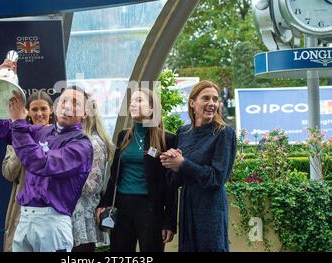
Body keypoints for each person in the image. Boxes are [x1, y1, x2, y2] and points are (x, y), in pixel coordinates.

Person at [0, 60, 93, 252]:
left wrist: (19, 121)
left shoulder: (82, 145)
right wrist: (4, 86)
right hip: (24, 218)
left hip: (52, 222)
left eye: (75, 103)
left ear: (85, 112)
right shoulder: (43, 131)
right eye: (64, 101)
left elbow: (41, 164)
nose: (67, 106)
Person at [97, 88, 178, 252]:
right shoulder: (124, 136)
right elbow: (114, 175)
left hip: (150, 209)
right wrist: (104, 203)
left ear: (152, 108)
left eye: (139, 100)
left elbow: (171, 185)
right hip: (122, 206)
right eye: (132, 101)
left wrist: (169, 221)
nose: (133, 104)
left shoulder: (167, 139)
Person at [160, 80, 237, 252]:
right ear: (192, 103)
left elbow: (217, 178)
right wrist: (172, 165)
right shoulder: (183, 132)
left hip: (211, 209)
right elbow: (175, 181)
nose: (212, 104)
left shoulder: (224, 133)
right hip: (187, 208)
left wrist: (183, 163)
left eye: (215, 99)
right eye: (206, 98)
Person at [2, 90, 54, 252]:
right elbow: (8, 173)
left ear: (51, 110)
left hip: (52, 208)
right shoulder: (18, 135)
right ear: (27, 112)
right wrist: (24, 141)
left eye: (43, 109)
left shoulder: (60, 136)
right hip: (22, 209)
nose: (39, 114)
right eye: (34, 109)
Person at [71, 95, 114, 252]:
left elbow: (92, 186)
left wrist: (62, 179)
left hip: (83, 216)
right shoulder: (73, 140)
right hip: (69, 215)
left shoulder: (94, 143)